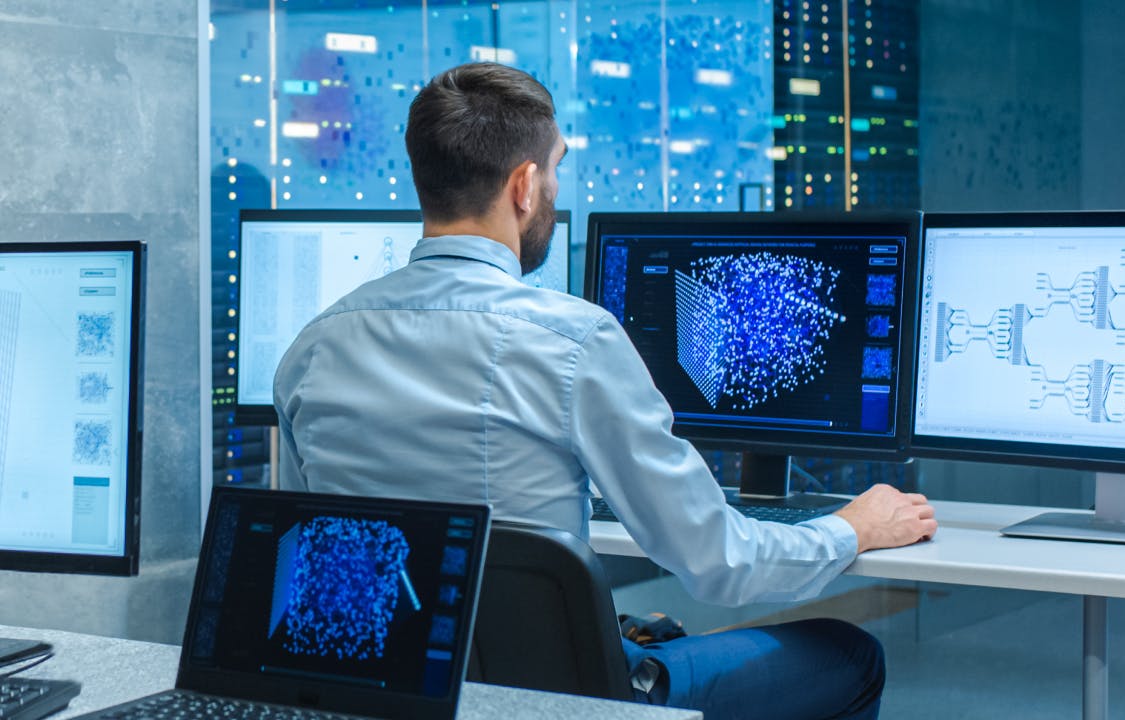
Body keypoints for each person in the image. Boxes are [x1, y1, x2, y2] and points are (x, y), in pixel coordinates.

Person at [273, 62, 938, 720]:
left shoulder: (311, 348)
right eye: (555, 168)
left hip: (385, 694)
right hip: (551, 704)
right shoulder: (572, 343)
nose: (555, 189)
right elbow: (718, 563)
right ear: (524, 186)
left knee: (643, 629)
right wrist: (851, 529)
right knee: (847, 656)